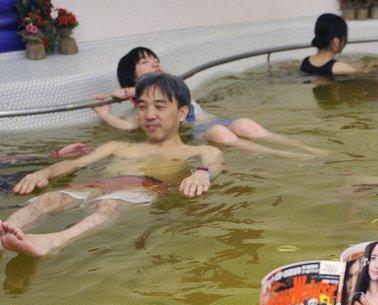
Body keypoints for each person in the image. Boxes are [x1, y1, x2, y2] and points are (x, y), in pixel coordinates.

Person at [1, 74, 223, 257]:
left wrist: (202, 174)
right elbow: (75, 163)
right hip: (96, 185)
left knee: (109, 203)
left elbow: (214, 162)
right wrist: (45, 171)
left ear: (182, 112)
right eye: (143, 107)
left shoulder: (196, 151)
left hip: (141, 190)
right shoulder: (116, 146)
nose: (150, 115)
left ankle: (54, 241)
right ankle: (5, 234)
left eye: (160, 107)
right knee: (48, 198)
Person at [94, 47, 328, 159]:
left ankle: (307, 148)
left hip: (215, 119)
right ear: (131, 75)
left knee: (246, 124)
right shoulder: (145, 110)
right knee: (220, 134)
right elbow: (128, 126)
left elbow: (146, 87)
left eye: (156, 60)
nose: (155, 64)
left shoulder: (172, 85)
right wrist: (105, 114)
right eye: (146, 62)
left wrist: (127, 90)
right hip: (198, 131)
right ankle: (288, 155)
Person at [301, 13, 378, 78]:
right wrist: (369, 68)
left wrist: (351, 67)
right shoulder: (340, 68)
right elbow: (362, 78)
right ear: (336, 41)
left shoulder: (305, 62)